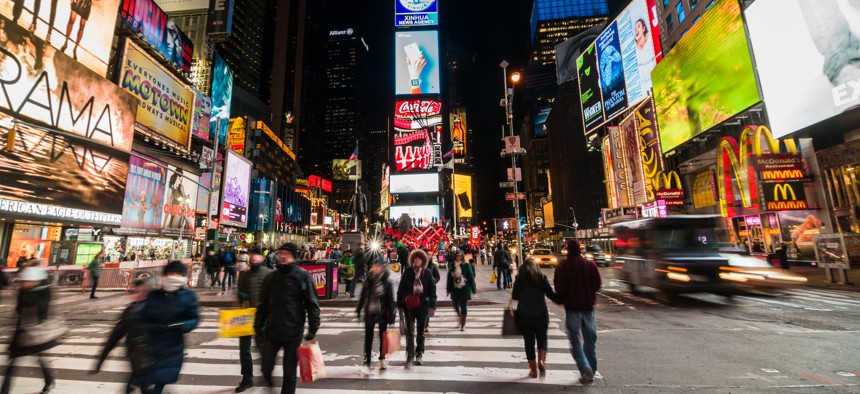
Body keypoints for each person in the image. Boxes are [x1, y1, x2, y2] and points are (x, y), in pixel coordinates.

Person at [255, 243, 321, 394]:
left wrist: (313, 328)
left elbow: (312, 304)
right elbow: (262, 304)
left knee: (289, 373)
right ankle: (271, 388)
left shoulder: (303, 276)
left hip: (293, 332)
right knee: (265, 368)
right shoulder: (271, 277)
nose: (283, 256)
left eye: (287, 253)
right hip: (272, 330)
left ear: (293, 257)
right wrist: (258, 326)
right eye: (281, 253)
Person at [138, 261, 200, 393]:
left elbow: (194, 318)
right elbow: (142, 318)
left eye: (177, 274)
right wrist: (150, 327)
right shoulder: (154, 296)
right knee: (144, 381)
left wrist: (182, 326)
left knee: (161, 379)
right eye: (171, 273)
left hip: (173, 345)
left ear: (183, 277)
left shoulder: (189, 296)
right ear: (165, 275)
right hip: (151, 345)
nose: (174, 277)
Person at [93, 278, 155, 393]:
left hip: (150, 356)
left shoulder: (156, 310)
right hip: (136, 356)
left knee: (141, 385)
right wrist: (101, 359)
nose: (140, 295)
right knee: (138, 383)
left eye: (143, 292)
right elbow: (115, 335)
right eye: (137, 292)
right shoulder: (130, 311)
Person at [0, 267, 55, 394]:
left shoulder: (44, 292)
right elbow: (18, 310)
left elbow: (43, 312)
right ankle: (4, 391)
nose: (23, 283)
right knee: (12, 361)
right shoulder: (23, 291)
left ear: (35, 281)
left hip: (36, 330)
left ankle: (49, 380)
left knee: (39, 357)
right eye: (22, 281)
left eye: (26, 281)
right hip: (21, 331)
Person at [554, 239, 602, 385]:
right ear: (580, 249)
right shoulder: (590, 265)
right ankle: (591, 371)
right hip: (588, 308)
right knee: (590, 341)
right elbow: (597, 285)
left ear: (568, 250)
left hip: (572, 308)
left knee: (575, 341)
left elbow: (559, 288)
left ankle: (585, 367)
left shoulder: (563, 266)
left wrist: (564, 297)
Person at [510, 258, 561, 378]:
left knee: (529, 342)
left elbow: (515, 296)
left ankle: (533, 370)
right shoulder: (541, 278)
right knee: (542, 338)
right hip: (541, 314)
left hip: (525, 315)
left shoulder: (519, 279)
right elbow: (550, 294)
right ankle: (541, 361)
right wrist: (562, 300)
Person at [234, 248, 271, 392]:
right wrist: (241, 296)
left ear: (261, 257)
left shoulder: (269, 273)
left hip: (263, 317)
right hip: (247, 316)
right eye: (252, 255)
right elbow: (239, 292)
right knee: (244, 349)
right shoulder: (245, 276)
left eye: (257, 255)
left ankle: (266, 374)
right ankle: (247, 378)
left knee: (263, 348)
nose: (254, 258)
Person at [396, 249, 437, 368]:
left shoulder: (427, 273)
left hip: (423, 306)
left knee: (420, 332)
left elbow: (432, 291)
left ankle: (419, 353)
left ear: (423, 260)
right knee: (410, 332)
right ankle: (409, 356)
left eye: (419, 259)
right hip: (409, 306)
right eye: (415, 258)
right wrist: (399, 305)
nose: (416, 260)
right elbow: (401, 289)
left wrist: (432, 306)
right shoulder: (408, 272)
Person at [356, 257, 396, 373]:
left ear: (382, 268)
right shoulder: (368, 281)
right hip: (370, 312)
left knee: (382, 337)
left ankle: (382, 359)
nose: (376, 268)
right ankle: (367, 361)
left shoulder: (387, 282)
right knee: (368, 338)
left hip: (382, 313)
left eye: (378, 266)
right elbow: (363, 297)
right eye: (374, 266)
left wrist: (392, 317)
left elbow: (391, 301)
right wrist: (358, 311)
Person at [446, 251, 476, 331]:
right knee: (455, 304)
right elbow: (449, 278)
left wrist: (473, 288)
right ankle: (460, 317)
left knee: (463, 306)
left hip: (464, 288)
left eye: (460, 256)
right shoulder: (452, 265)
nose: (458, 257)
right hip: (455, 288)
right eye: (457, 256)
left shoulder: (466, 265)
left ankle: (463, 323)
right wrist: (448, 289)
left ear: (462, 256)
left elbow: (471, 277)